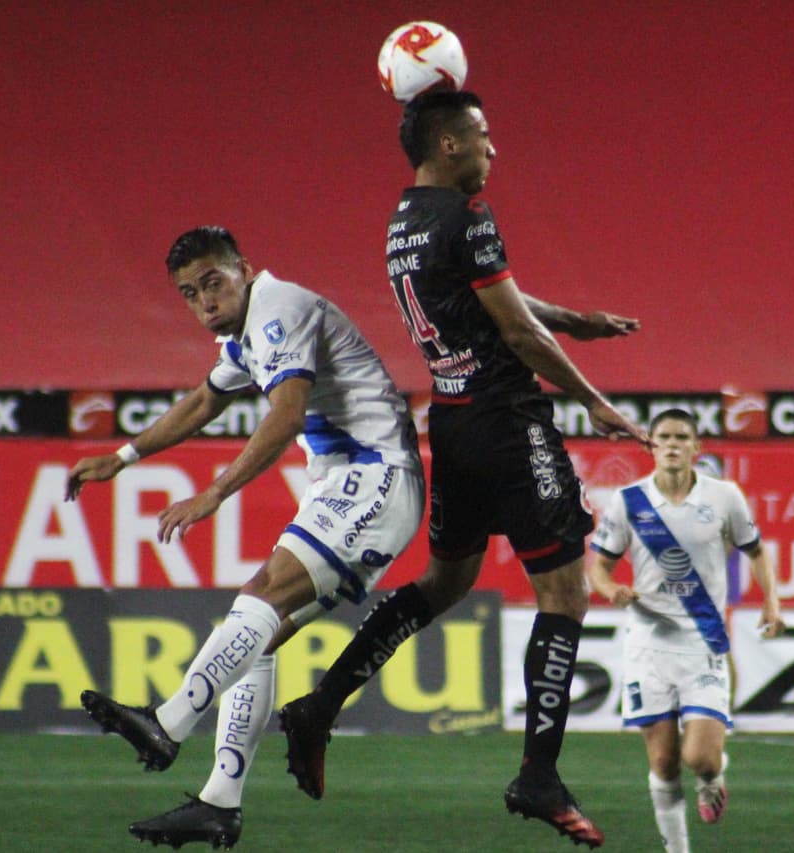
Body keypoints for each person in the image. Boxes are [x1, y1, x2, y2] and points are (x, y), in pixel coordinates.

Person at [279, 89, 651, 850]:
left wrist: (576, 320)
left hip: (451, 422)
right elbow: (511, 325)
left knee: (444, 583)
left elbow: (488, 297)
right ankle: (537, 774)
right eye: (482, 136)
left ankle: (322, 704)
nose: (493, 149)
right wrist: (596, 401)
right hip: (510, 423)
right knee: (566, 592)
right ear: (449, 145)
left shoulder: (405, 220)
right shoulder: (470, 216)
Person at [66, 225, 424, 849]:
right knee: (254, 632)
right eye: (189, 292)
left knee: (259, 594)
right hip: (353, 481)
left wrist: (215, 492)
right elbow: (205, 400)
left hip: (374, 475)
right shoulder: (246, 335)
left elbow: (285, 415)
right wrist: (123, 456)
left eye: (213, 282)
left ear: (244, 271)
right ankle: (219, 802)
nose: (204, 301)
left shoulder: (278, 309)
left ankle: (169, 722)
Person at [586, 408, 784, 852]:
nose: (672, 445)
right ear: (651, 447)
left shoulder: (724, 497)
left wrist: (772, 600)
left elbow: (756, 551)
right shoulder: (628, 501)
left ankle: (713, 778)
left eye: (681, 438)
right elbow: (597, 567)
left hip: (703, 642)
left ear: (696, 448)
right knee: (664, 760)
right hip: (647, 645)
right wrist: (612, 589)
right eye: (663, 438)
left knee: (699, 758)